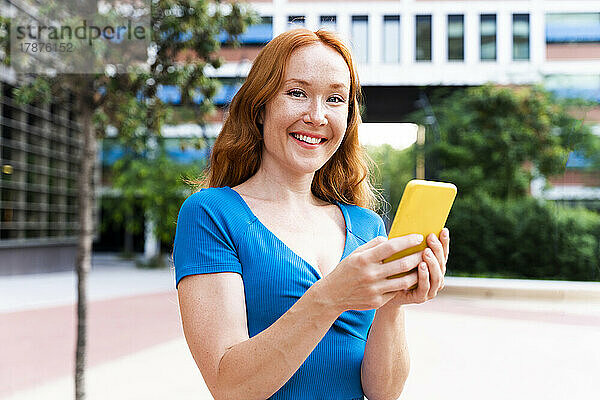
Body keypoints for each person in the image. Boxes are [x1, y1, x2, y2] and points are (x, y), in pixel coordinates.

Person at [173, 28, 450, 400]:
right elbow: (229, 385)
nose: (317, 116)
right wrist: (331, 296)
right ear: (260, 107)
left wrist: (393, 304)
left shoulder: (366, 226)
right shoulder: (212, 215)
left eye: (335, 99)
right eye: (297, 93)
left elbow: (383, 392)